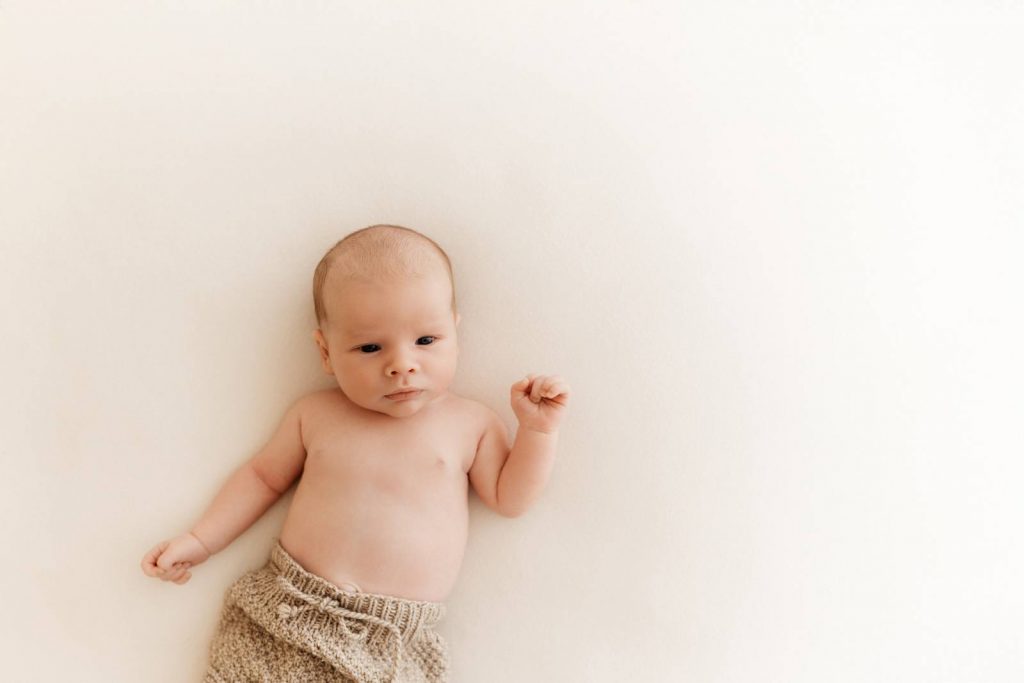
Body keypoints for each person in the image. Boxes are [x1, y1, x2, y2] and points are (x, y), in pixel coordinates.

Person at [140, 224, 570, 682]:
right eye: (369, 347)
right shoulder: (316, 414)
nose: (402, 364)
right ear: (326, 354)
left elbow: (510, 498)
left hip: (390, 642)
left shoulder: (471, 424)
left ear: (455, 333)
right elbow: (262, 478)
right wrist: (202, 541)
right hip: (287, 611)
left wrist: (537, 432)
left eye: (426, 341)